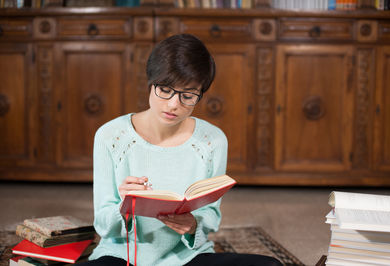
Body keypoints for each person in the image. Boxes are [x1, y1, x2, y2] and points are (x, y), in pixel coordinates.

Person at [77, 34, 282, 266]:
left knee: (270, 265)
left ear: (200, 94)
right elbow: (103, 224)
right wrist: (122, 208)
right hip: (122, 257)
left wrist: (193, 225)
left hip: (187, 258)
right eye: (165, 89)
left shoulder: (213, 141)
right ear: (150, 82)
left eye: (188, 95)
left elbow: (211, 216)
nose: (174, 104)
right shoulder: (110, 135)